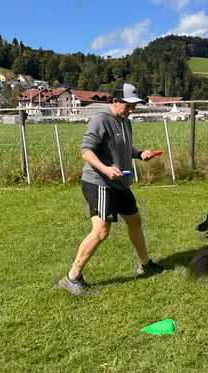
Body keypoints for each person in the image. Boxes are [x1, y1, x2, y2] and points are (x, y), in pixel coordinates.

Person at [56, 83, 164, 295]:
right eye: (128, 106)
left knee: (135, 221)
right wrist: (106, 169)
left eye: (134, 106)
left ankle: (145, 265)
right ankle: (72, 277)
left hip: (120, 183)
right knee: (101, 230)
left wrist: (139, 154)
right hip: (99, 182)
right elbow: (86, 151)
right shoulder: (101, 120)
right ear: (115, 101)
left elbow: (123, 147)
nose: (131, 110)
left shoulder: (125, 121)